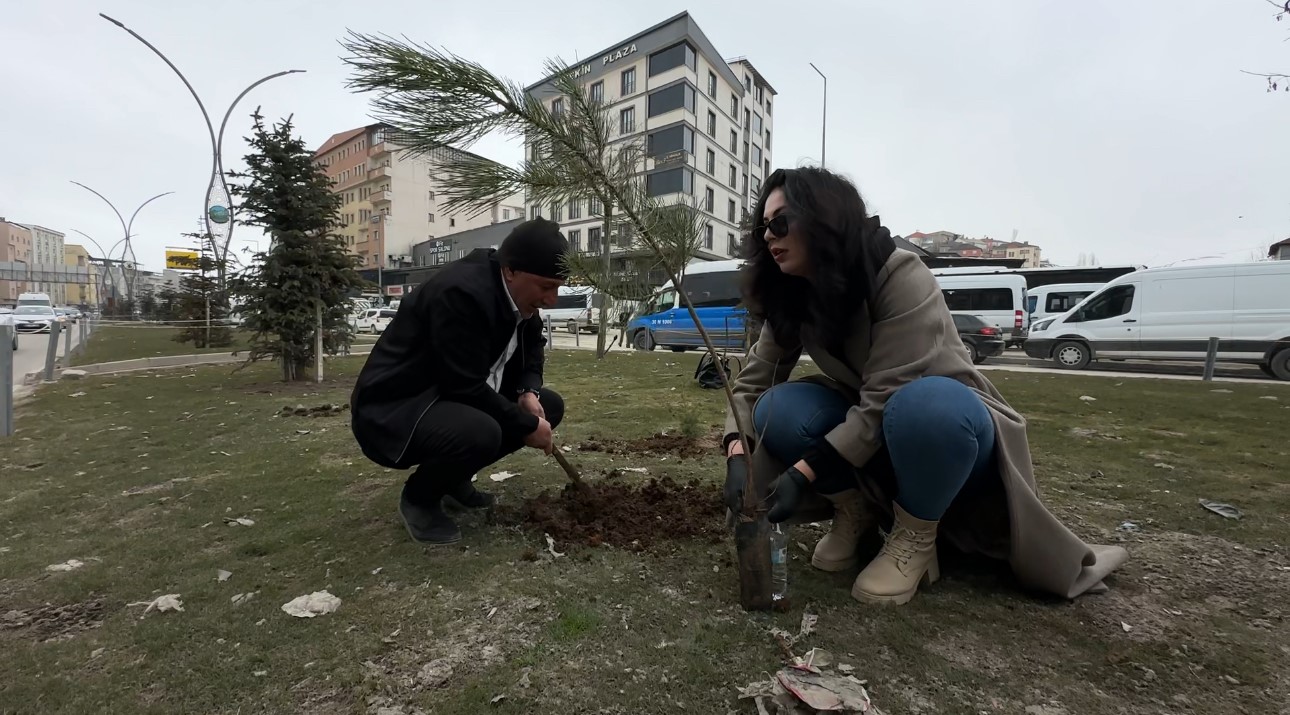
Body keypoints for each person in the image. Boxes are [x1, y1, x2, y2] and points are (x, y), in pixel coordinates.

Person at [722, 167, 1127, 605]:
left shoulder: (896, 273)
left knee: (923, 405)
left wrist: (802, 473)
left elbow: (884, 398)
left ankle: (916, 534)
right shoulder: (793, 293)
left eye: (779, 222)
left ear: (822, 218)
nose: (767, 235)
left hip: (946, 432)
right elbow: (750, 385)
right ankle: (853, 512)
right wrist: (736, 454)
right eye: (763, 226)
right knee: (776, 407)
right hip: (873, 435)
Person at [351, 218, 569, 546]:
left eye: (557, 287)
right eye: (546, 287)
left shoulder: (518, 295)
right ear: (511, 271)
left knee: (548, 407)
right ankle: (420, 498)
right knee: (483, 431)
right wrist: (524, 424)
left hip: (449, 396)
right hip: (398, 407)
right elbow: (462, 384)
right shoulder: (461, 293)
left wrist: (527, 392)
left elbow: (532, 348)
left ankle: (452, 479)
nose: (552, 300)